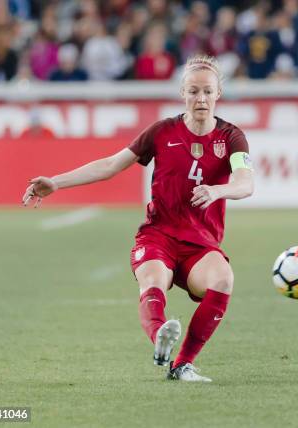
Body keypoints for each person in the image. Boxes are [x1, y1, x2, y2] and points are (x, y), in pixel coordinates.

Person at [22, 54, 254, 382]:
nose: (200, 98)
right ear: (182, 93)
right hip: (158, 235)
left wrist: (218, 192)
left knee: (222, 280)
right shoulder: (162, 132)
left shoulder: (231, 138)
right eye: (193, 91)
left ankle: (183, 363)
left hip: (200, 244)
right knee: (153, 280)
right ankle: (161, 338)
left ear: (218, 94)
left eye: (206, 91)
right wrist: (55, 183)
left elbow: (246, 183)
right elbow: (110, 165)